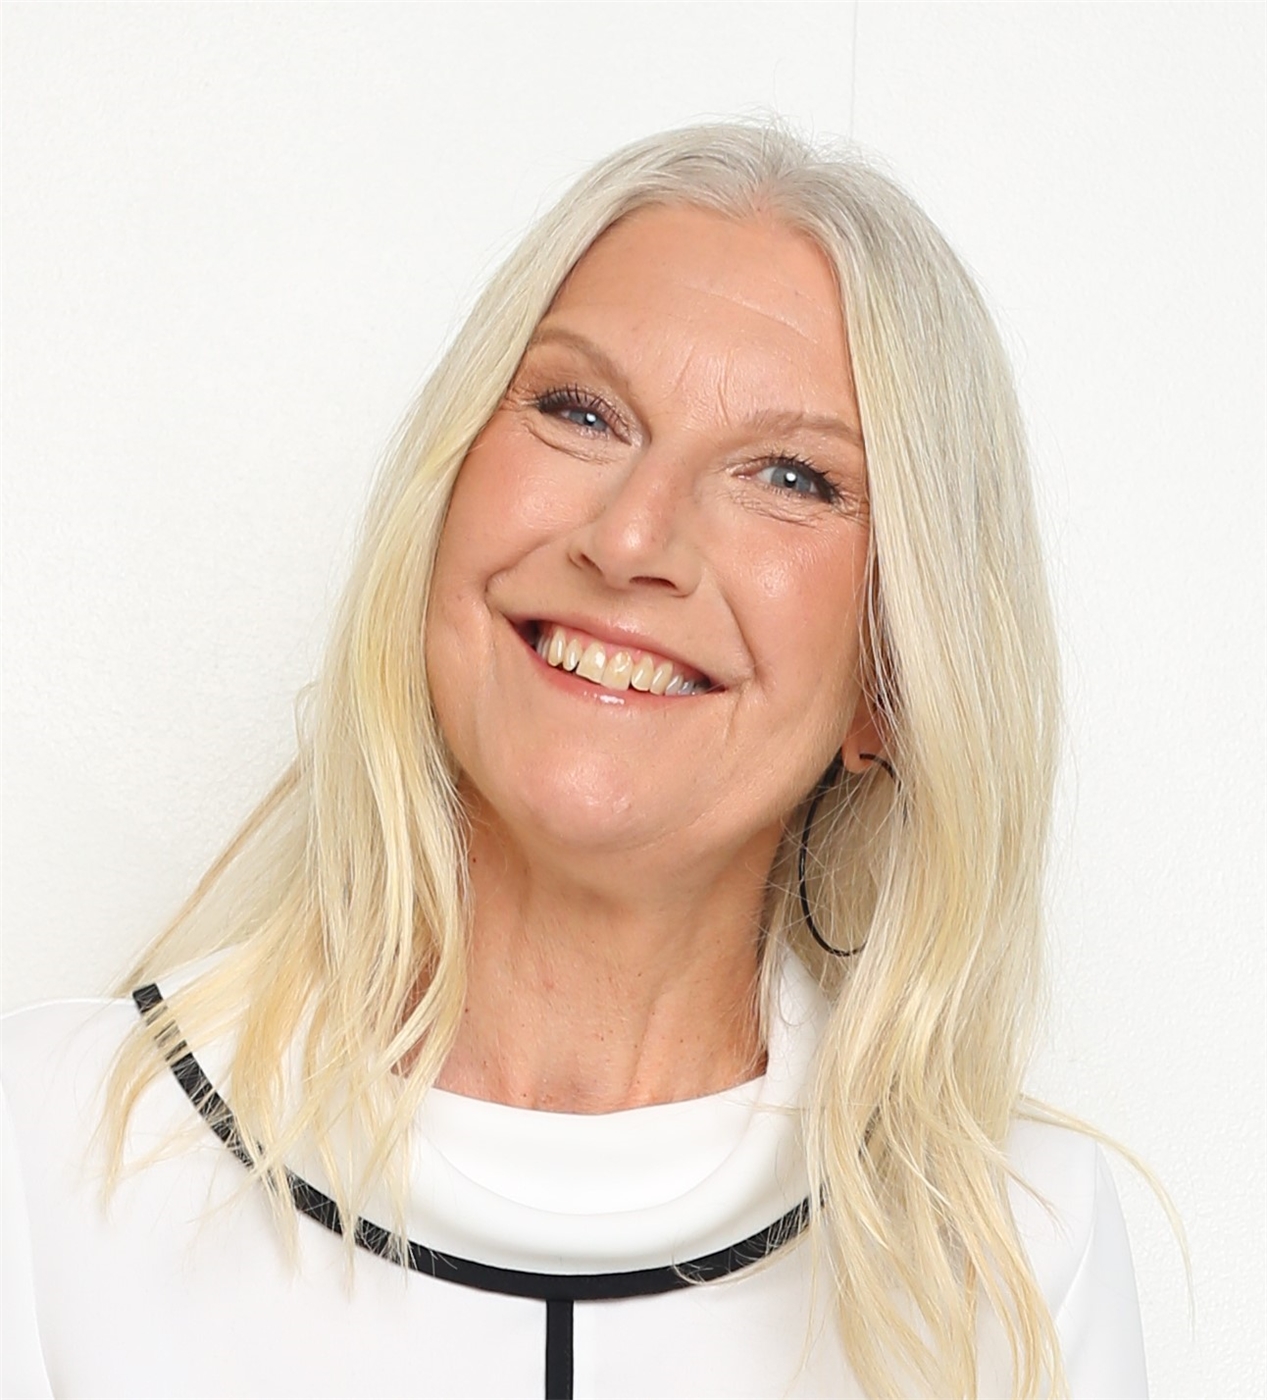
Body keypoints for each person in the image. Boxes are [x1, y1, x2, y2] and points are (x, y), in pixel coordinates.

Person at [1, 122, 1147, 1399]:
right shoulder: (48, 1152)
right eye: (579, 410)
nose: (632, 536)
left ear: (890, 679)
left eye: (788, 475)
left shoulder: (1020, 1254)